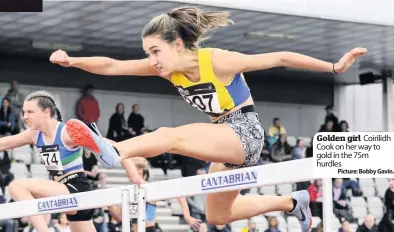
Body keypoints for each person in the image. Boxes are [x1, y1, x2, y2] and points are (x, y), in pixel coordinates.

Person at [49, 7, 367, 232]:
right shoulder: (167, 68)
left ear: (177, 44)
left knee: (169, 135)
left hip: (245, 132)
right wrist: (71, 61)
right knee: (217, 215)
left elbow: (280, 57)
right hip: (223, 139)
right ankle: (290, 202)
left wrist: (334, 67)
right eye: (147, 54)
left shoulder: (217, 60)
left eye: (156, 51)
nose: (152, 61)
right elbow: (112, 66)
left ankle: (114, 150)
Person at [0, 90, 144, 232]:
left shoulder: (67, 133)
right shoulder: (33, 134)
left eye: (30, 112)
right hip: (63, 195)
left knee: (16, 187)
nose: (24, 117)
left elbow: (112, 147)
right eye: (23, 112)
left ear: (46, 112)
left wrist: (135, 177)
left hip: (76, 189)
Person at [108, 157, 201, 232]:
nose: (126, 173)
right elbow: (124, 221)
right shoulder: (130, 191)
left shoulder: (149, 188)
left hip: (148, 229)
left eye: (128, 170)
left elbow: (178, 193)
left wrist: (187, 216)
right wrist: (111, 209)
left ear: (139, 171)